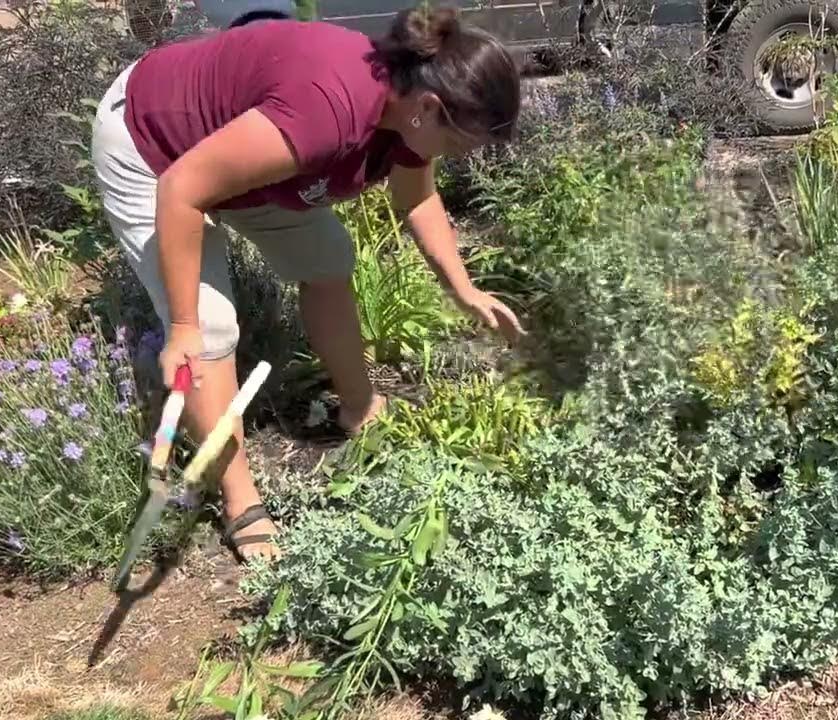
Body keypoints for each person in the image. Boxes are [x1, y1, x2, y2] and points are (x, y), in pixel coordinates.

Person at [90, 5, 525, 562]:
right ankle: (239, 500)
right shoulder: (328, 111)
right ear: (430, 109)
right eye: (465, 143)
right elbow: (182, 187)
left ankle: (359, 408)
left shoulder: (412, 103)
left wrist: (464, 288)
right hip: (153, 145)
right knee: (211, 329)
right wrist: (181, 325)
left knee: (327, 259)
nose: (468, 156)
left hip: (242, 155)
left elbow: (416, 197)